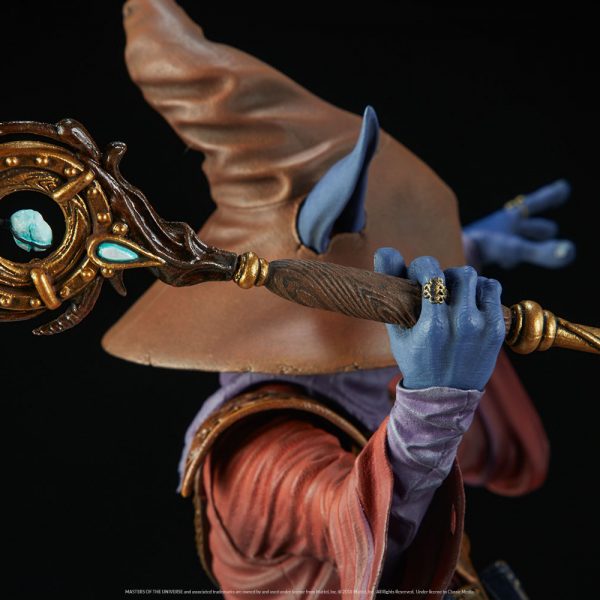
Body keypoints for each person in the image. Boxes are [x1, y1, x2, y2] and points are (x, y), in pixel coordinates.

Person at [103, 1, 573, 597]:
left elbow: (502, 456)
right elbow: (361, 528)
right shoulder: (255, 457)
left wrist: (463, 256)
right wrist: (434, 402)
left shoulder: (356, 383)